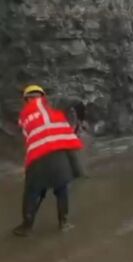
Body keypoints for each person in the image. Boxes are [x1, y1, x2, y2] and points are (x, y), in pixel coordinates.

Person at [13, 85, 84, 236]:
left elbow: (28, 137)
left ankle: (26, 226)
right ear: (43, 95)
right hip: (59, 153)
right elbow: (76, 100)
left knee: (32, 192)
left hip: (38, 156)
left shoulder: (24, 116)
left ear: (26, 99)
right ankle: (64, 222)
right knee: (61, 188)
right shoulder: (53, 104)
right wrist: (79, 122)